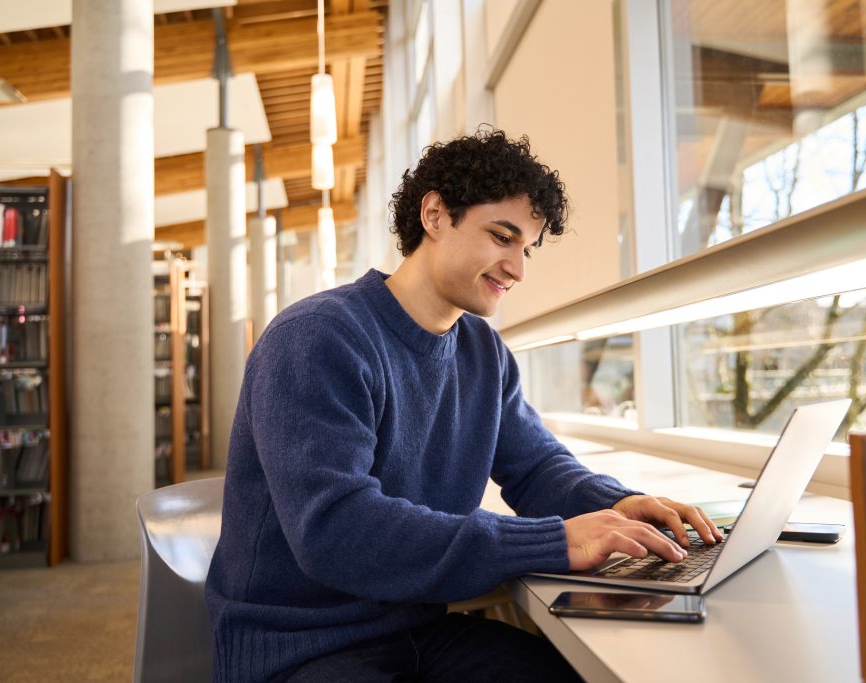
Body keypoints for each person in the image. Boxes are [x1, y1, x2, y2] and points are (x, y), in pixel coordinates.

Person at [205, 128, 723, 682]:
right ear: (434, 215)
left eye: (526, 248)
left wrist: (620, 506)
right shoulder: (317, 339)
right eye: (502, 237)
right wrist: (554, 541)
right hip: (302, 648)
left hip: (416, 631)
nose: (518, 268)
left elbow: (537, 467)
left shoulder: (482, 352)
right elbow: (336, 530)